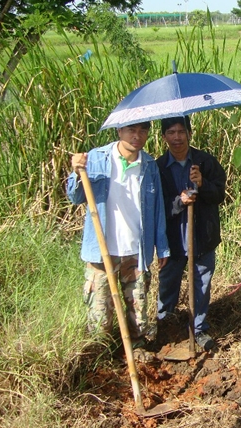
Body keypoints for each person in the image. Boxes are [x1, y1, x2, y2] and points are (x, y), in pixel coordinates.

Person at [67, 121, 169, 353]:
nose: (137, 136)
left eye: (143, 131)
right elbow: (75, 197)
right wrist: (76, 172)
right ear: (119, 131)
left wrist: (161, 246)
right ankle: (102, 359)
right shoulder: (96, 159)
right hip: (101, 253)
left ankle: (137, 351)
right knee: (100, 318)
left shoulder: (149, 166)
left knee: (138, 316)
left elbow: (158, 209)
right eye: (131, 130)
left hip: (135, 252)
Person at [155, 116, 226, 351]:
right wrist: (179, 201)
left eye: (181, 132)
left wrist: (203, 184)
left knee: (201, 284)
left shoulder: (205, 162)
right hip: (173, 240)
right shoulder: (158, 168)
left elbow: (220, 195)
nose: (177, 137)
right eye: (171, 132)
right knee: (168, 283)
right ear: (164, 137)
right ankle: (166, 325)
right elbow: (156, 206)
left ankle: (198, 329)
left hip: (202, 238)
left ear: (189, 134)